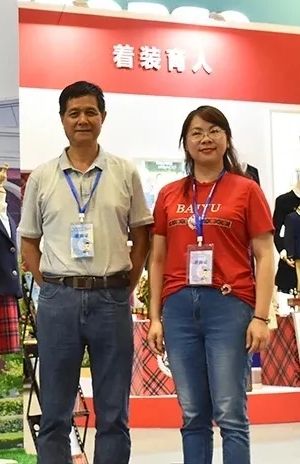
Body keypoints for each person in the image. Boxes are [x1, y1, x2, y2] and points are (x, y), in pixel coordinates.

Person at [18, 80, 153, 464]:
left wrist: (127, 283)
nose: (82, 120)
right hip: (58, 300)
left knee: (113, 412)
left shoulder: (124, 172)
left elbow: (142, 237)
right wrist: (52, 286)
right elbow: (29, 243)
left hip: (112, 298)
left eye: (90, 112)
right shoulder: (43, 177)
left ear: (102, 117)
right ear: (62, 119)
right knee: (55, 413)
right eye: (74, 113)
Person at [146, 105, 275, 464]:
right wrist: (155, 317)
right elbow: (157, 259)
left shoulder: (246, 190)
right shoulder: (169, 194)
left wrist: (261, 317)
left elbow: (265, 255)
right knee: (192, 415)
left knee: (230, 413)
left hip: (229, 306)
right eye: (197, 133)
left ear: (226, 139)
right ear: (185, 143)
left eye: (214, 130)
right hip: (178, 309)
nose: (206, 139)